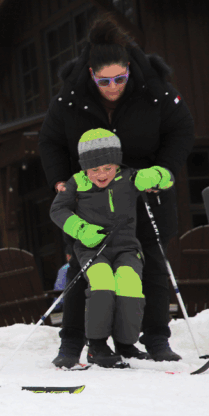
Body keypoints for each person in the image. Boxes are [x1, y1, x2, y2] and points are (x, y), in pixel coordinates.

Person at [38, 16, 195, 367]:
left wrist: (164, 170)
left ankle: (155, 339)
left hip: (145, 194)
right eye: (104, 80)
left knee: (149, 267)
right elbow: (48, 141)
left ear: (129, 69)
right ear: (91, 74)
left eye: (120, 79)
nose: (113, 87)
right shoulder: (70, 100)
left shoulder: (156, 92)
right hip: (88, 198)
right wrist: (60, 180)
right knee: (86, 269)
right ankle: (73, 344)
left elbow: (182, 131)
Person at [50, 129, 175, 368]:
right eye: (95, 170)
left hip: (127, 248)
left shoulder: (129, 177)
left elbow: (167, 179)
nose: (101, 174)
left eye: (108, 168)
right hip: (92, 249)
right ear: (85, 168)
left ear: (117, 164)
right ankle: (96, 346)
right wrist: (81, 230)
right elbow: (57, 210)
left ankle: (125, 344)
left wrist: (155, 175)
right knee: (102, 282)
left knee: (130, 284)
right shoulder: (76, 182)